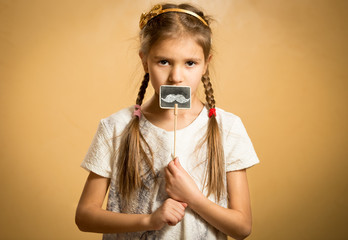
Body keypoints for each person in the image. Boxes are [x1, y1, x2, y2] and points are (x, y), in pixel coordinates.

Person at [75, 3, 259, 240]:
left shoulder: (228, 128)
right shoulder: (115, 128)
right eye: (164, 61)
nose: (176, 76)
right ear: (144, 61)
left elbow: (242, 227)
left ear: (206, 64)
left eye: (190, 63)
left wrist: (193, 198)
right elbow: (85, 216)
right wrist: (149, 220)